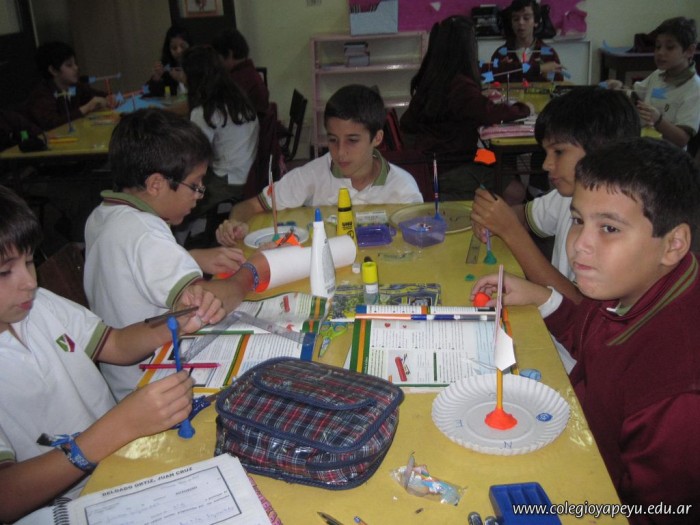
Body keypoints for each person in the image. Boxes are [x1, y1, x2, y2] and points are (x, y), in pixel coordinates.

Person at [470, 137, 700, 524]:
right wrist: (544, 298)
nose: (579, 246)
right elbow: (596, 336)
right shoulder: (636, 282)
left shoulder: (677, 390)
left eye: (609, 228)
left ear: (673, 244)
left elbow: (661, 512)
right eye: (578, 221)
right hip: (581, 442)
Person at [0, 184, 226, 522]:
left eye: (29, 262)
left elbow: (115, 344)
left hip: (121, 459)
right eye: (5, 272)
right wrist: (121, 425)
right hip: (69, 503)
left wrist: (177, 321)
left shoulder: (40, 305)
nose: (29, 282)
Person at [83, 108, 266, 401]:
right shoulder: (146, 233)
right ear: (156, 184)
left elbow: (130, 268)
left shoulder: (103, 215)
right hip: (155, 383)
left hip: (123, 380)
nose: (200, 195)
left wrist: (190, 257)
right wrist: (253, 270)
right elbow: (206, 302)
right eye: (195, 185)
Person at [471, 87, 641, 371]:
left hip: (577, 357)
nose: (547, 164)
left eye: (559, 152)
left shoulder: (621, 225)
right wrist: (493, 216)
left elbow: (581, 308)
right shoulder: (565, 196)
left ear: (602, 151)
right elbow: (524, 215)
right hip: (552, 329)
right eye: (546, 152)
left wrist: (511, 231)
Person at [218, 84, 422, 238]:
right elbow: (249, 206)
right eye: (332, 140)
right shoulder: (314, 174)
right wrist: (234, 224)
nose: (340, 152)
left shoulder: (403, 187)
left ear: (377, 138)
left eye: (352, 141)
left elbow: (418, 238)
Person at [399, 15, 532, 205]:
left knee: (496, 160)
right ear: (467, 47)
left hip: (436, 160)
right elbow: (491, 113)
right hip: (451, 164)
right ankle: (453, 204)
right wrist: (524, 108)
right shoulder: (460, 85)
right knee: (516, 191)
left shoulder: (433, 77)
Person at [181, 45, 259, 215]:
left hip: (227, 183)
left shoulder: (205, 111)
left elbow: (195, 155)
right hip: (250, 175)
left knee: (179, 194)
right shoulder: (237, 98)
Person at [606, 17, 700, 149]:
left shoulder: (694, 88)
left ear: (689, 51)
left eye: (670, 47)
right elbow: (636, 96)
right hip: (645, 146)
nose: (660, 53)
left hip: (669, 155)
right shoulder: (657, 75)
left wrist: (658, 120)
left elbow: (682, 139)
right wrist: (620, 87)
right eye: (658, 46)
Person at [23, 41, 115, 131]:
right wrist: (86, 108)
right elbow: (52, 124)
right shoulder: (41, 95)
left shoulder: (75, 86)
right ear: (53, 70)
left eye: (75, 63)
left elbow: (97, 95)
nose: (76, 68)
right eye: (69, 65)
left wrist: (110, 97)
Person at [488, 0, 563, 83]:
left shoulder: (548, 53)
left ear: (536, 22)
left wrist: (549, 76)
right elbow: (489, 83)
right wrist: (500, 71)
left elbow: (559, 83)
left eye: (526, 18)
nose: (520, 22)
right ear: (511, 23)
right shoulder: (501, 53)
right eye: (516, 19)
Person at [212, 29, 270, 115]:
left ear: (230, 53)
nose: (216, 62)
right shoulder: (250, 74)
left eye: (217, 57)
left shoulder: (235, 82)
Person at [146, 25, 191, 97]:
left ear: (190, 45)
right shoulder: (166, 68)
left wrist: (185, 80)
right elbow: (153, 93)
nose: (179, 51)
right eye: (174, 48)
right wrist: (156, 79)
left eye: (183, 46)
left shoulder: (199, 64)